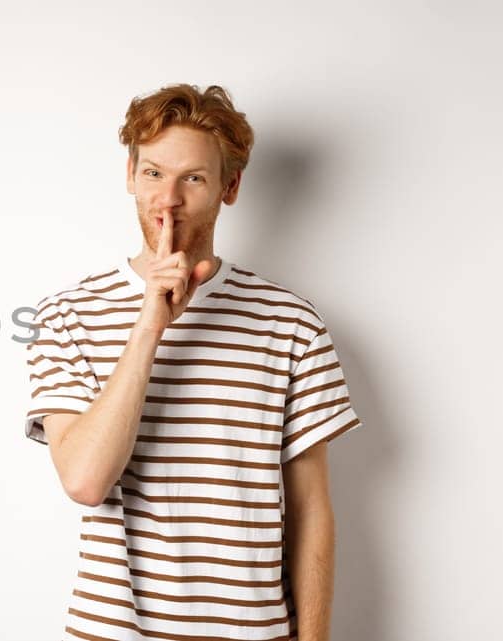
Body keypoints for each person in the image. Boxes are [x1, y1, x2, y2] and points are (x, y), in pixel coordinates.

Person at [22, 84, 363, 641]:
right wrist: (149, 326)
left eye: (194, 178)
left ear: (230, 187)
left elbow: (311, 510)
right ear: (130, 174)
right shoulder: (67, 315)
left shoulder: (292, 322)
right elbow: (84, 480)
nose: (169, 199)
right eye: (154, 173)